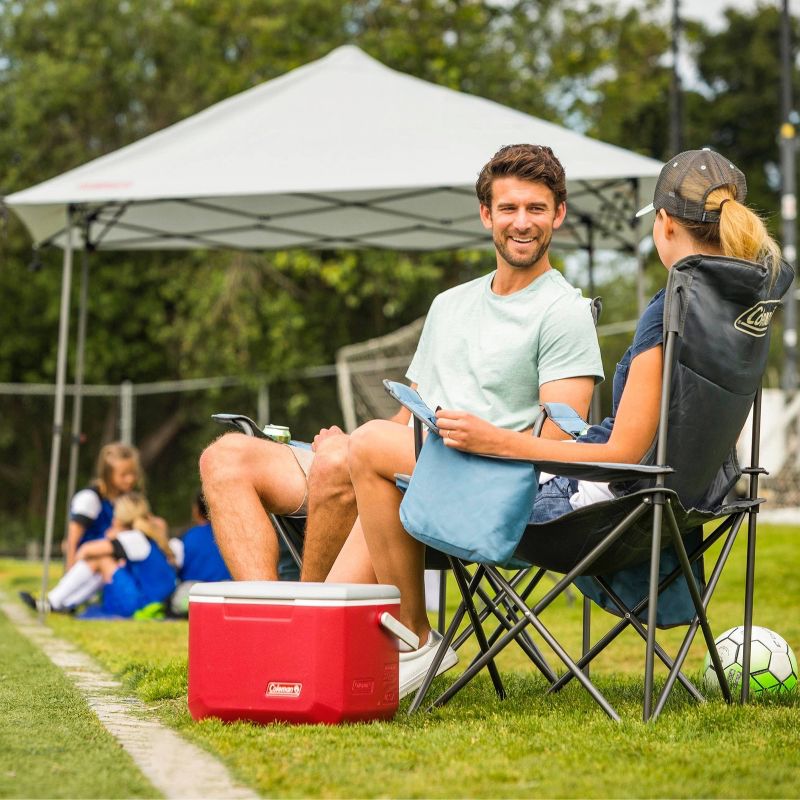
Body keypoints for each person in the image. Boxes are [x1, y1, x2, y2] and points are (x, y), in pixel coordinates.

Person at [341, 147, 785, 698]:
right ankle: (325, 637)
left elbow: (621, 454)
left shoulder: (672, 312)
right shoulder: (738, 311)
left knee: (367, 446)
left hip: (589, 510)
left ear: (665, 225)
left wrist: (497, 442)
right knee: (371, 453)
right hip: (689, 504)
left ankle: (413, 633)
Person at [199, 143, 604, 585]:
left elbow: (559, 445)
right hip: (404, 465)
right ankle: (266, 622)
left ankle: (303, 626)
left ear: (558, 214)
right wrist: (348, 443)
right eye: (508, 207)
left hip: (490, 489)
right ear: (487, 215)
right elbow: (406, 419)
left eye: (536, 208)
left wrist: (360, 452)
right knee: (226, 457)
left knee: (345, 459)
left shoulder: (564, 310)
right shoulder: (449, 305)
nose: (521, 222)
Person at [21, 491, 177, 617]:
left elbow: (86, 550)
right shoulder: (141, 536)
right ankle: (65, 604)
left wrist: (76, 556)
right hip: (152, 599)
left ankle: (54, 601)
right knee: (106, 564)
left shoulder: (133, 537)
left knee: (102, 560)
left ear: (120, 517)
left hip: (142, 602)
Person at [63, 442, 142, 570]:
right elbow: (72, 542)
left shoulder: (126, 500)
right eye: (124, 475)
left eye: (133, 473)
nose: (130, 479)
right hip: (89, 565)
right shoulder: (89, 498)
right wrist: (70, 574)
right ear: (108, 475)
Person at [169, 492, 232, 583]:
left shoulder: (189, 536)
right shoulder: (227, 533)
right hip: (226, 586)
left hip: (195, 589)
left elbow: (179, 566)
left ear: (197, 510)